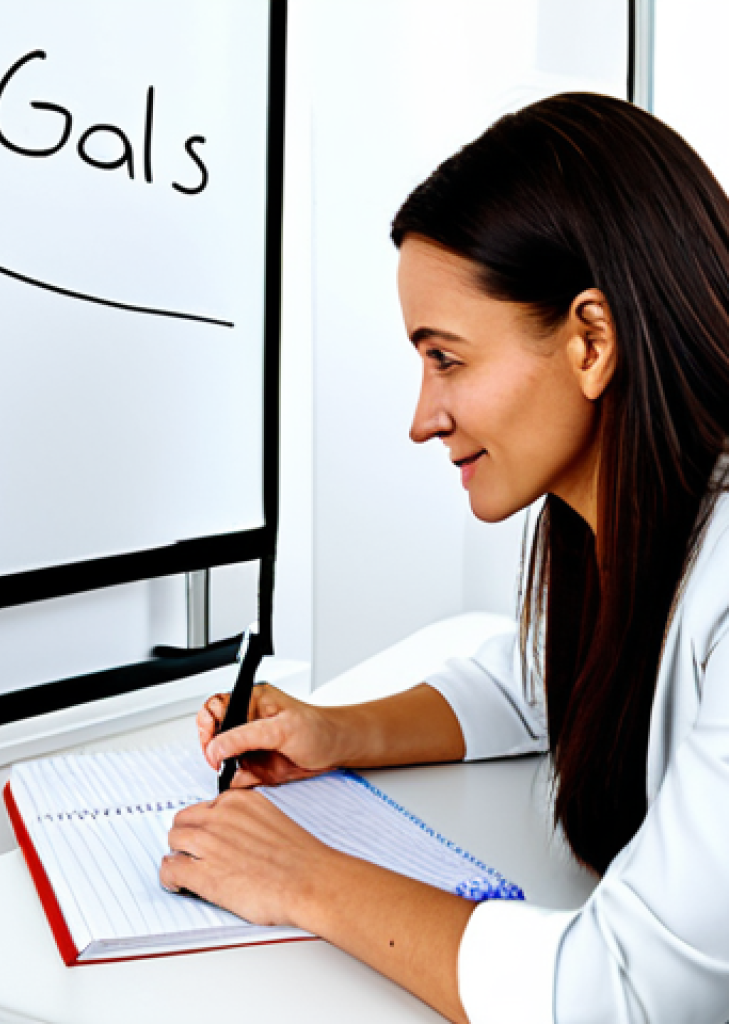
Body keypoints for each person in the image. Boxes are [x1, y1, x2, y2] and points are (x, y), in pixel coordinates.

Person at [160, 92, 729, 1024]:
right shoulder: (623, 525)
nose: (423, 417)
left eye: (448, 360)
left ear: (592, 341)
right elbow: (539, 684)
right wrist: (332, 733)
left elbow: (623, 996)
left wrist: (306, 879)